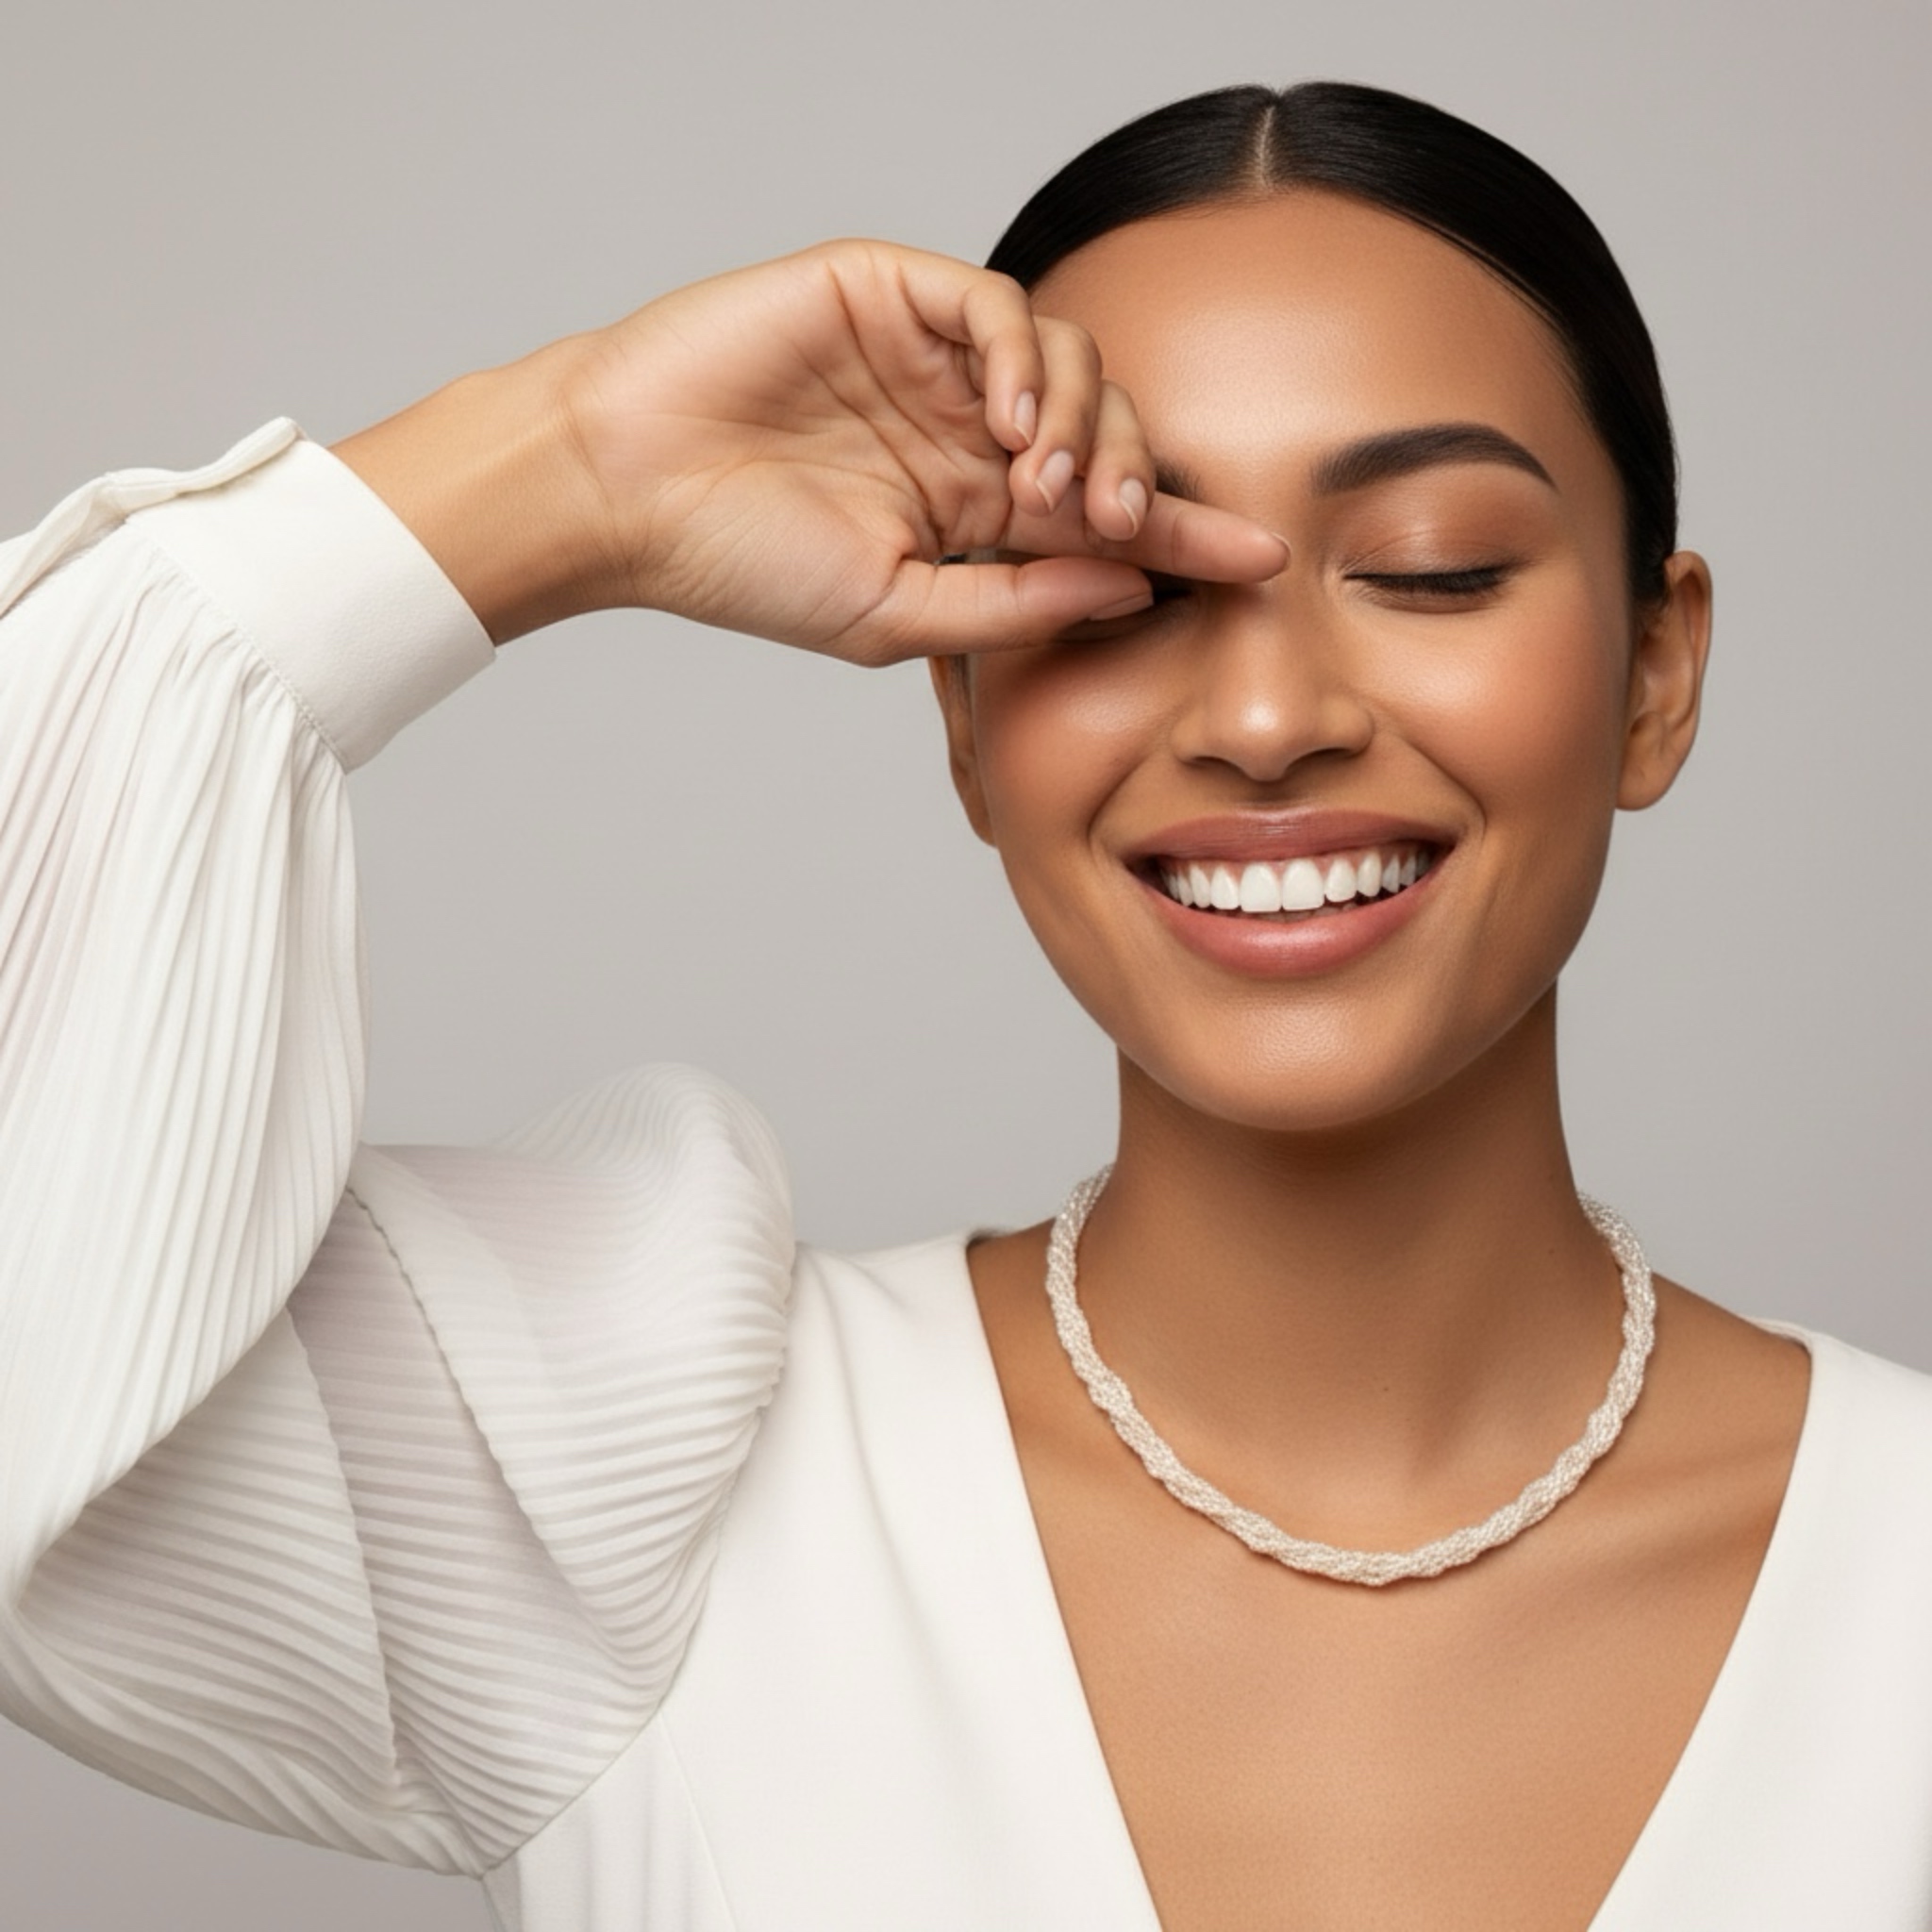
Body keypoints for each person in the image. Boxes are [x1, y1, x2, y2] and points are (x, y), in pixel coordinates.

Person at [1, 77, 1928, 1932]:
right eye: (1116, 589)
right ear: (963, 721)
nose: (1267, 720)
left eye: (1430, 569)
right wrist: (565, 468)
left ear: (1657, 673)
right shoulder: (619, 1494)